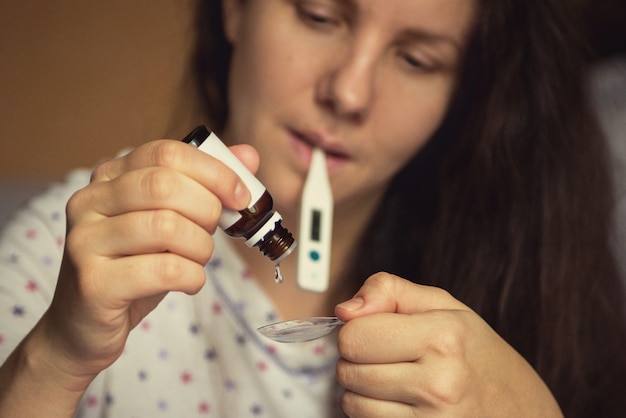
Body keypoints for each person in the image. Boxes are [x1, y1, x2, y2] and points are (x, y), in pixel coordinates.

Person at [1, 0, 625, 416]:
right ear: (237, 10)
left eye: (415, 58)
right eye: (321, 16)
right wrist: (54, 359)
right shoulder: (68, 260)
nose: (349, 92)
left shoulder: (531, 282)